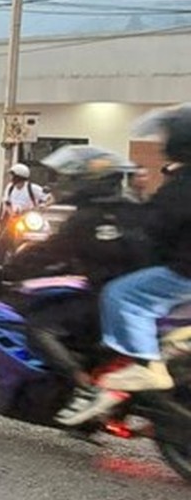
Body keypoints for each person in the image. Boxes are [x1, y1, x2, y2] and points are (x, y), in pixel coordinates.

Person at [59, 105, 191, 424]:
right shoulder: (179, 180)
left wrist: (128, 220)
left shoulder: (182, 186)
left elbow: (155, 227)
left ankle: (146, 366)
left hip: (182, 271)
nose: (162, 141)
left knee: (119, 295)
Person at [0, 162, 52, 264]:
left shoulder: (32, 188)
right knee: (1, 243)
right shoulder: (10, 188)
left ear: (19, 176)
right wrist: (10, 213)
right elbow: (6, 203)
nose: (11, 178)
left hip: (30, 219)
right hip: (14, 219)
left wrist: (43, 205)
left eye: (13, 175)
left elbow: (49, 197)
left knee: (45, 236)